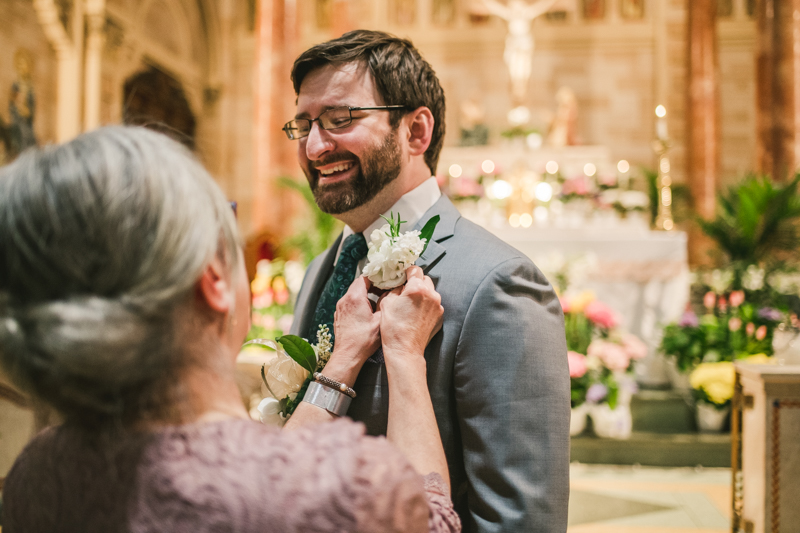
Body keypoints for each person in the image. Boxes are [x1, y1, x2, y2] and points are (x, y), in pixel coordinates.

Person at [0, 126, 460, 533]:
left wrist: (340, 363)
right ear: (214, 281)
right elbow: (432, 520)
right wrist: (403, 353)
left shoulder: (38, 474)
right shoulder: (339, 487)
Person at [286, 30, 570, 532]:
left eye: (339, 119)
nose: (313, 146)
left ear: (416, 132)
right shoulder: (321, 270)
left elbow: (520, 520)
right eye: (304, 124)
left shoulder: (499, 284)